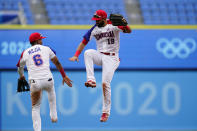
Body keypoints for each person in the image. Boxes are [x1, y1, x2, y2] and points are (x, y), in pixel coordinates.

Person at [69, 9, 131, 122]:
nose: (96, 21)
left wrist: (125, 24)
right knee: (88, 53)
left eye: (98, 19)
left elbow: (128, 31)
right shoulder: (94, 29)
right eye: (95, 19)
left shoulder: (113, 24)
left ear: (103, 18)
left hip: (112, 58)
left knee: (104, 83)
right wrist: (76, 55)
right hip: (100, 55)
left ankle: (105, 112)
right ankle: (91, 80)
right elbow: (84, 41)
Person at [17, 32, 72, 131]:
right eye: (41, 39)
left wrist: (21, 76)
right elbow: (57, 62)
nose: (42, 41)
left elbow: (19, 67)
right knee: (51, 92)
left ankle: (37, 130)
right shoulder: (47, 48)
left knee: (35, 107)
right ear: (37, 41)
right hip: (48, 80)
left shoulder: (25, 52)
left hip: (35, 82)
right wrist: (64, 75)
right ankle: (54, 115)